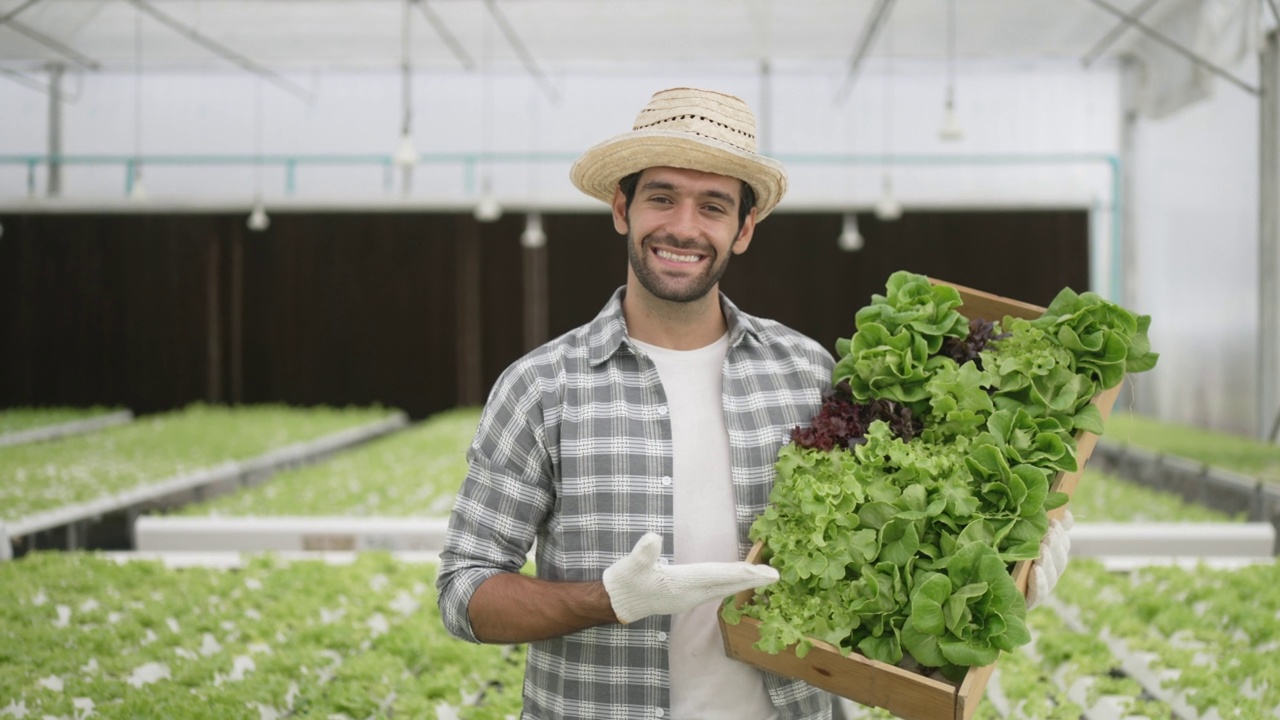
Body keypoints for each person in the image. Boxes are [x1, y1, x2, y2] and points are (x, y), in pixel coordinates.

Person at [436, 87, 1071, 720]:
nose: (684, 227)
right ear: (621, 208)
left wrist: (997, 582)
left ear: (743, 229)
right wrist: (609, 599)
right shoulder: (542, 387)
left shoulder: (806, 372)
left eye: (712, 206)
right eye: (662, 197)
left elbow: (875, 577)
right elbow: (464, 593)